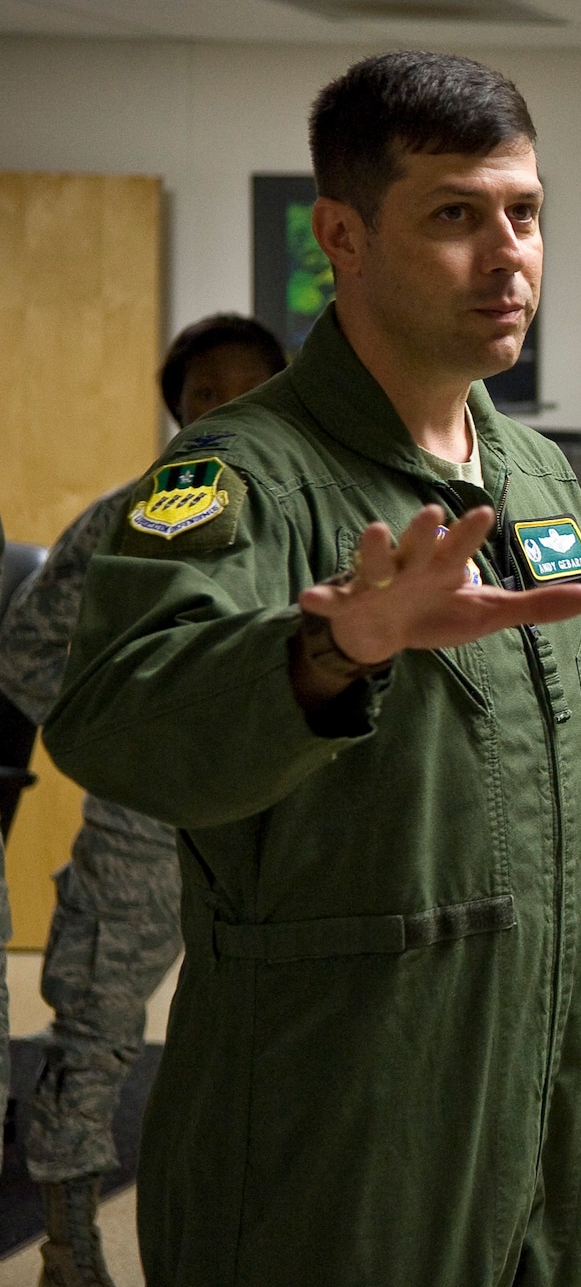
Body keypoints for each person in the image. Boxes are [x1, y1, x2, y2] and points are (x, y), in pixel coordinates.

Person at [42, 51, 581, 1287]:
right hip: (333, 1126)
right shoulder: (235, 477)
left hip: (537, 1108)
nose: (508, 256)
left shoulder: (536, 479)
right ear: (343, 233)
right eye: (455, 215)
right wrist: (330, 647)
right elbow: (115, 725)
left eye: (525, 212)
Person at [0, 313, 286, 1287]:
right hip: (146, 824)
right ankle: (70, 1247)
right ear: (178, 411)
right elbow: (30, 651)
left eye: (250, 389)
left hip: (282, 822)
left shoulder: (309, 511)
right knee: (97, 1030)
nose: (229, 410)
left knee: (281, 1039)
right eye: (206, 395)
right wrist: (128, 742)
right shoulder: (136, 515)